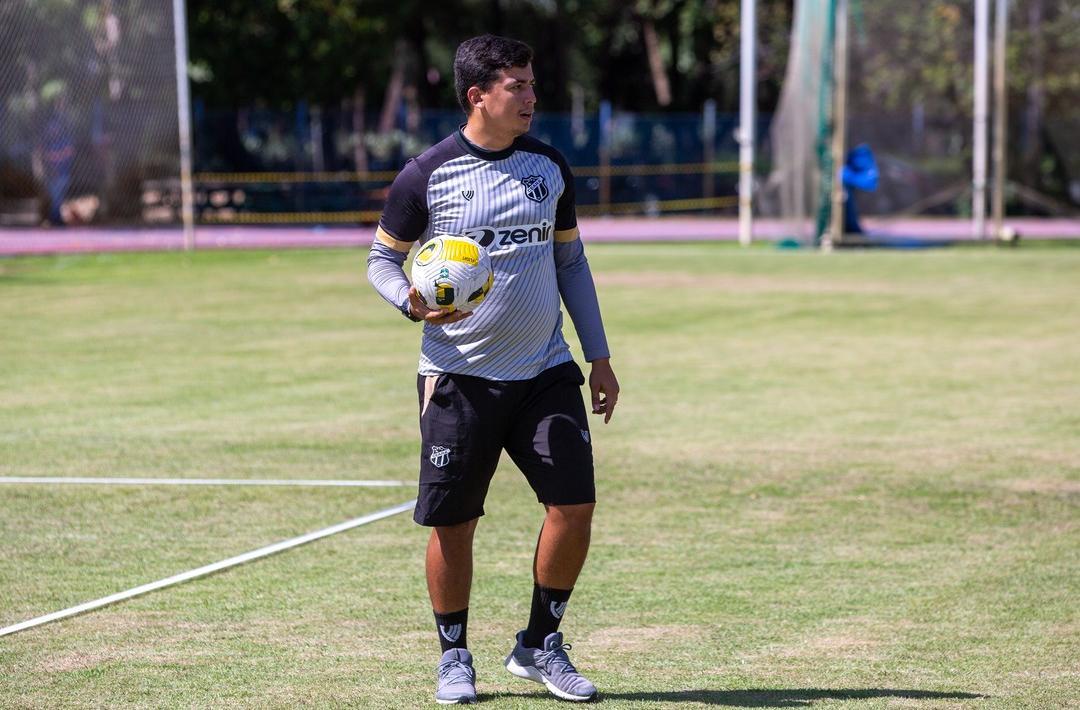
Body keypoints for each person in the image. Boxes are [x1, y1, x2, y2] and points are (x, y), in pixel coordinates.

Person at [367, 34, 619, 704]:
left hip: (545, 371)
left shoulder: (549, 167)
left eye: (533, 85)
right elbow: (381, 260)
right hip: (458, 379)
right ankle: (454, 657)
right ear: (478, 94)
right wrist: (409, 302)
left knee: (575, 506)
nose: (532, 97)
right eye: (518, 86)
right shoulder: (426, 174)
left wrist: (598, 355)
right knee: (455, 523)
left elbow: (570, 262)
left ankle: (540, 644)